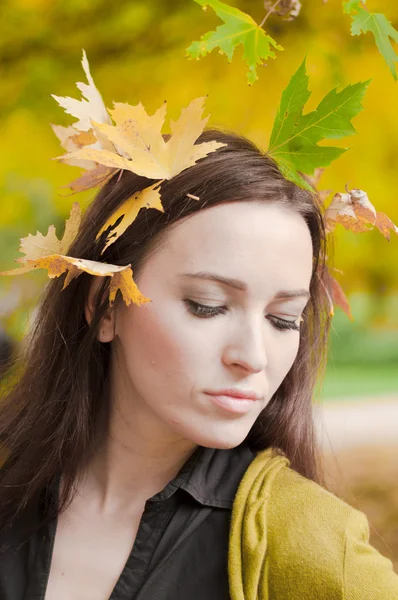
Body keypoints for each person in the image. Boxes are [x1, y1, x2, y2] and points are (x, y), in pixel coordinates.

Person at [0, 129, 397, 600]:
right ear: (106, 306)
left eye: (282, 319)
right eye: (207, 305)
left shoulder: (314, 550)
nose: (252, 357)